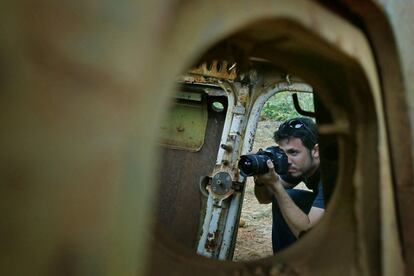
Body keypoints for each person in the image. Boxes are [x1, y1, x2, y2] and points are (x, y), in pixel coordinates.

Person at [253, 117, 324, 253]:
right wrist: (261, 179)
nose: (287, 160)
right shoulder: (297, 164)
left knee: (286, 196)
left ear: (316, 151)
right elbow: (265, 199)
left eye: (293, 152)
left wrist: (276, 185)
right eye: (283, 153)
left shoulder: (333, 173)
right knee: (288, 198)